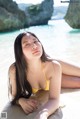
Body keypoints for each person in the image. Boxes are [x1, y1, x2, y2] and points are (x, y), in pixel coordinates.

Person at [8, 31, 80, 119]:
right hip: (51, 76)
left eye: (35, 41)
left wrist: (43, 113)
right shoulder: (15, 70)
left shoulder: (53, 65)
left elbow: (55, 100)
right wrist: (21, 101)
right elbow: (14, 95)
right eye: (27, 44)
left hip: (52, 67)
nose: (34, 46)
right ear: (20, 52)